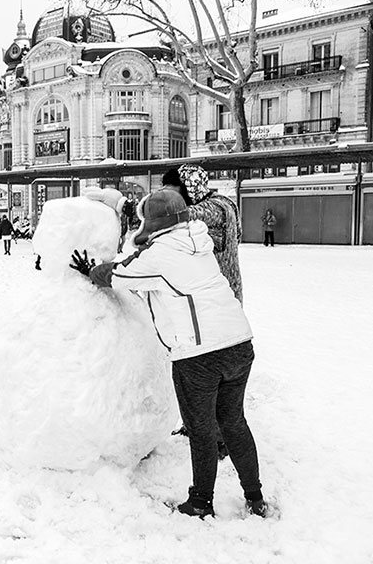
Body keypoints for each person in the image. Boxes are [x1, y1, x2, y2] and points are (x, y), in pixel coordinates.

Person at [73, 189, 267, 519]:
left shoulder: (160, 256)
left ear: (153, 223)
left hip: (200, 354)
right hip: (239, 344)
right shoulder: (195, 240)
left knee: (202, 430)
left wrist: (93, 270)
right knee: (233, 423)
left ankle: (201, 502)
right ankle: (255, 497)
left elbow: (119, 275)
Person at [162, 165, 244, 305]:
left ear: (190, 189)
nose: (172, 200)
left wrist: (143, 209)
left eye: (175, 194)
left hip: (221, 299)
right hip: (208, 294)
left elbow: (184, 214)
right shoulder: (221, 204)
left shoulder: (218, 207)